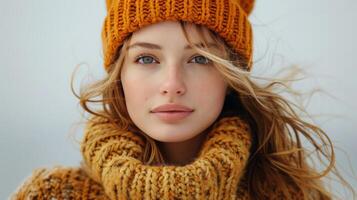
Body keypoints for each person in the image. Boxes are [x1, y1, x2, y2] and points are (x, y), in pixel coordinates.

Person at [11, 0, 355, 199]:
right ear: (120, 75)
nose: (172, 84)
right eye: (147, 59)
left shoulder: (289, 194)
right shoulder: (51, 195)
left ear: (230, 75)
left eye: (200, 59)